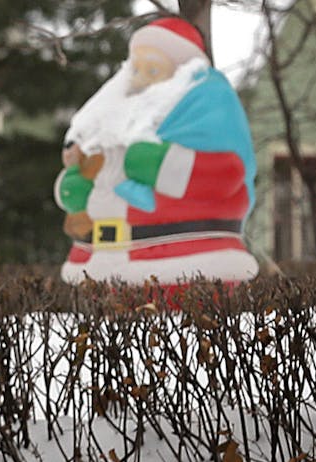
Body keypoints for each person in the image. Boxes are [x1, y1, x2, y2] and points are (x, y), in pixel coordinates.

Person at [54, 17, 259, 291]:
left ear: (181, 72)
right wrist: (78, 182)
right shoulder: (115, 113)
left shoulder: (206, 103)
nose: (140, 80)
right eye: (135, 69)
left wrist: (150, 163)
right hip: (100, 267)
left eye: (152, 70)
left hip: (182, 265)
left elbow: (225, 175)